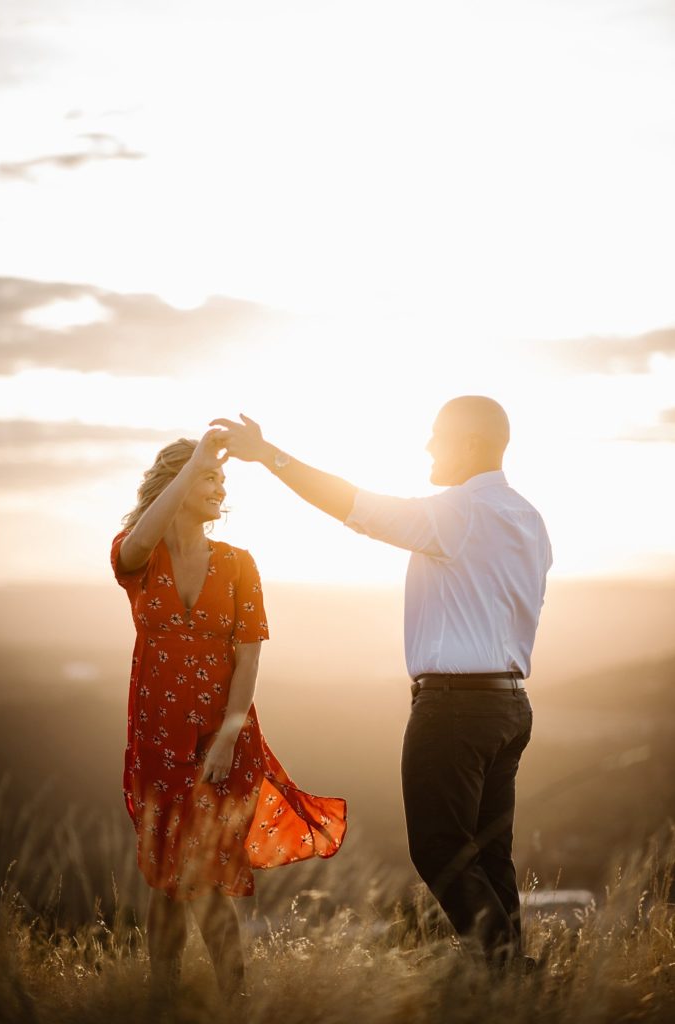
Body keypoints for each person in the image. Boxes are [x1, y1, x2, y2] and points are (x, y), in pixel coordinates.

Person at [213, 396, 552, 969]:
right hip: (510, 706)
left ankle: (505, 970)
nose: (427, 446)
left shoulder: (459, 514)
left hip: (454, 710)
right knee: (491, 855)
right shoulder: (529, 519)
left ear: (469, 444)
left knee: (440, 848)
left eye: (437, 435)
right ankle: (513, 985)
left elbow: (353, 505)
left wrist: (270, 456)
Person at [110, 429, 347, 1008]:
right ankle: (164, 1001)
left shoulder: (240, 565)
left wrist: (227, 737)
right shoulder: (137, 554)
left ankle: (235, 1002)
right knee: (166, 876)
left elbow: (249, 655)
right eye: (206, 478)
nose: (219, 487)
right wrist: (196, 459)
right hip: (158, 735)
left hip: (224, 738)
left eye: (221, 479)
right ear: (177, 484)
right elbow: (138, 542)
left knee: (210, 874)